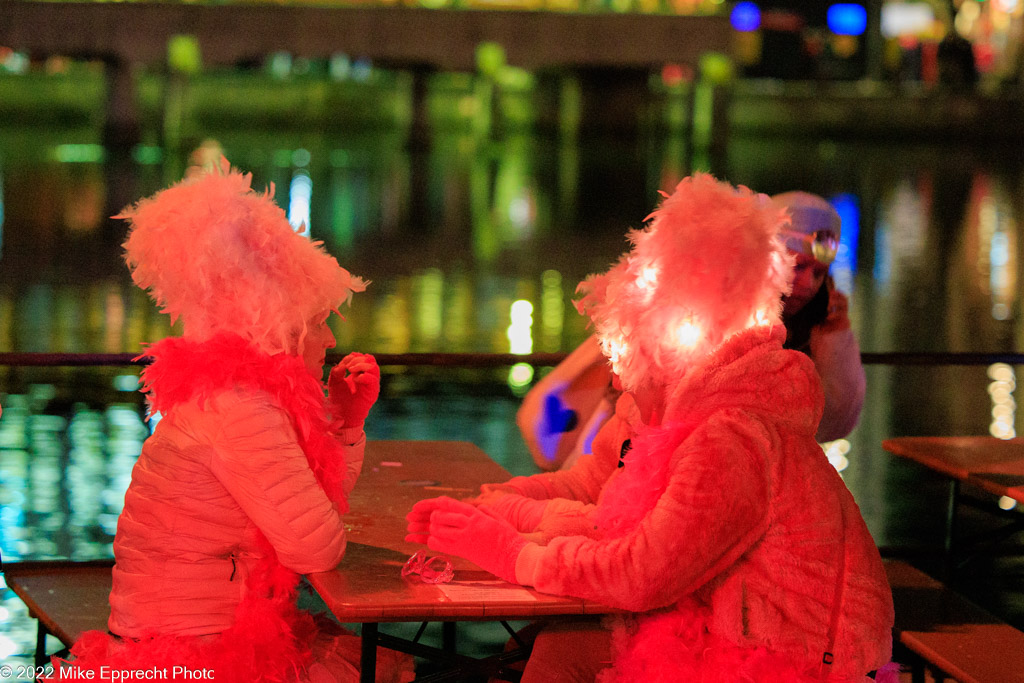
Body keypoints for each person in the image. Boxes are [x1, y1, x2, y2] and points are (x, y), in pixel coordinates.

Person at [407, 174, 896, 682]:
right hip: (725, 620)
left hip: (796, 658)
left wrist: (510, 551)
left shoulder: (731, 436)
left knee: (561, 651)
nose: (613, 375)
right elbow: (594, 486)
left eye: (621, 356)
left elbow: (642, 572)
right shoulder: (661, 409)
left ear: (663, 352)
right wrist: (491, 505)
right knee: (553, 645)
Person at [56, 160, 411, 683]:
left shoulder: (238, 397)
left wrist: (345, 423)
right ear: (280, 331)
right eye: (318, 324)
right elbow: (318, 546)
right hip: (195, 654)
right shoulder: (241, 411)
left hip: (183, 632)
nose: (331, 341)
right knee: (387, 670)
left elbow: (309, 512)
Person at [518, 190, 864, 472]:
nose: (807, 284)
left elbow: (832, 422)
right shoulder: (701, 307)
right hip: (650, 464)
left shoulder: (812, 327)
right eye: (799, 266)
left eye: (819, 274)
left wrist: (835, 338)